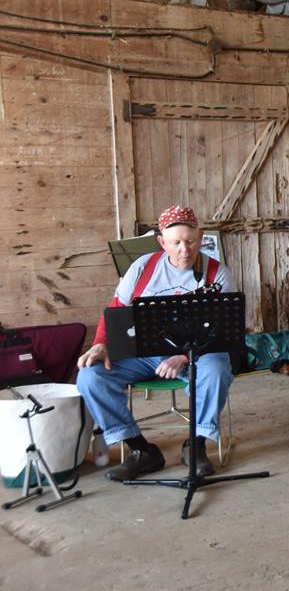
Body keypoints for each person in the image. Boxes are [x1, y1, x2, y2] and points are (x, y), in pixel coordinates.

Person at [76, 206, 236, 481]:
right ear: (162, 242)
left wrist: (186, 356)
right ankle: (141, 450)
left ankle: (195, 446)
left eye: (190, 241)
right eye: (175, 243)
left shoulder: (216, 273)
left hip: (194, 353)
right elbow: (116, 308)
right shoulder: (143, 267)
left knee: (216, 369)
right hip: (143, 352)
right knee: (90, 377)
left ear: (200, 238)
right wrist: (101, 344)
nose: (184, 250)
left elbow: (224, 329)